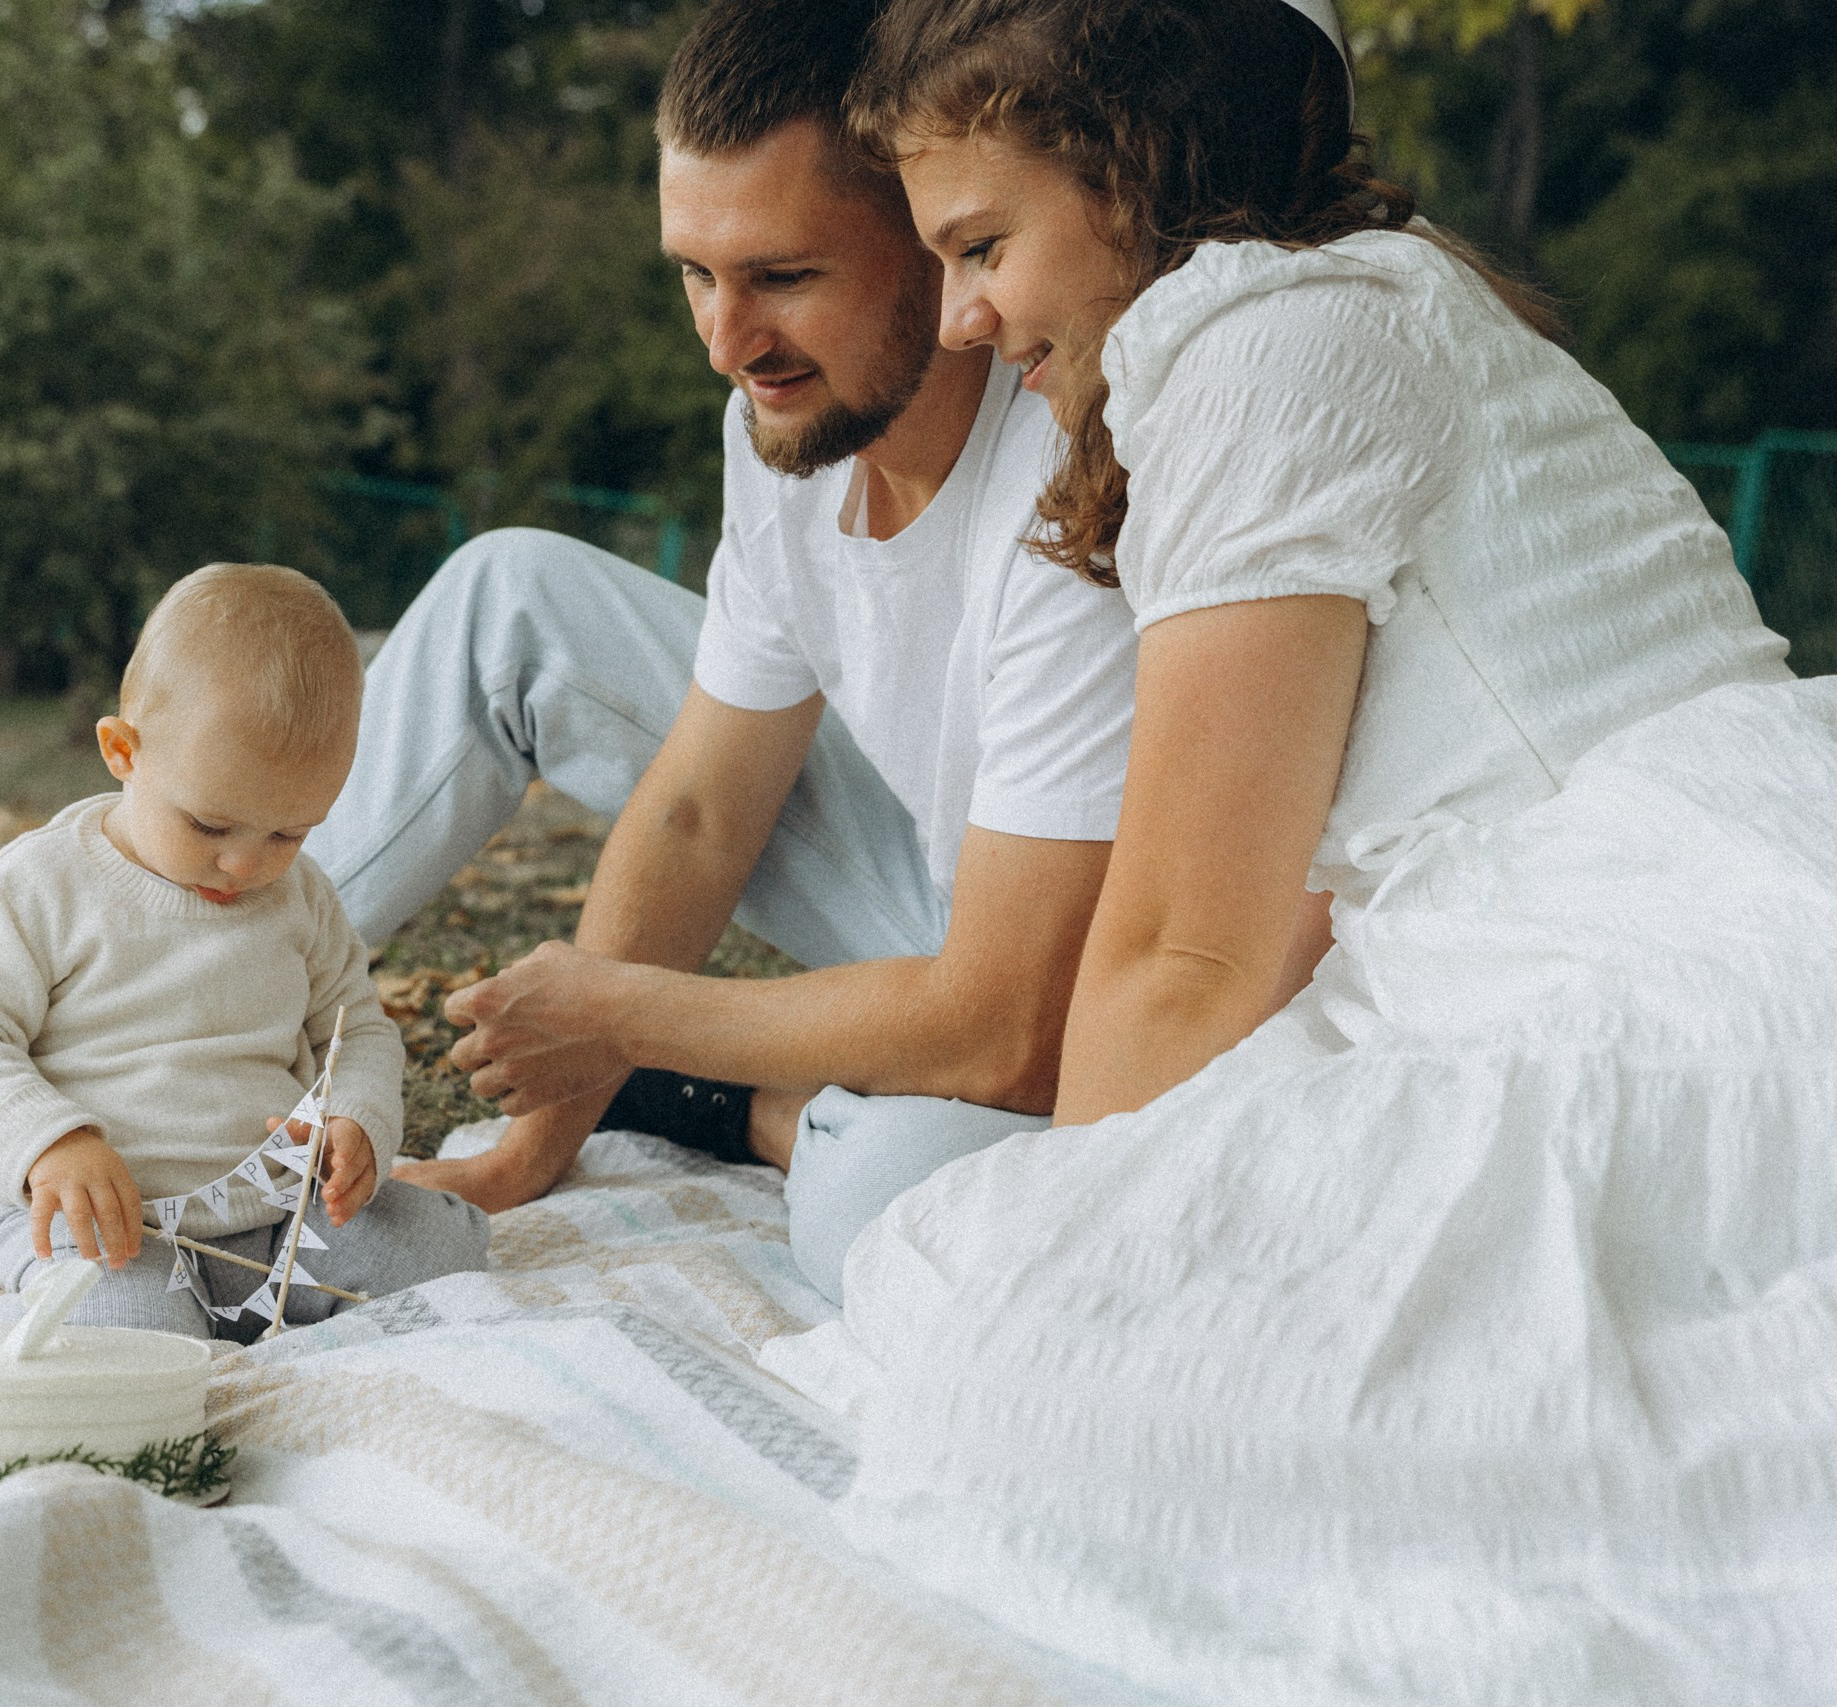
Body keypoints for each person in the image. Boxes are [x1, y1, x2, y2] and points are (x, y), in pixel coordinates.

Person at [758, 0, 1837, 1699]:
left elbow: (1187, 946)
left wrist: (1079, 1228)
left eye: (982, 245)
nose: (964, 317)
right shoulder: (1332, 307)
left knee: (996, 1315)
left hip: (1651, 919)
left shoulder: (1280, 347)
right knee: (916, 1208)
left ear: (1140, 173)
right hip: (1561, 900)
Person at [308, 0, 1141, 1302]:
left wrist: (630, 1021)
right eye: (695, 272)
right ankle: (160, 974)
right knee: (507, 586)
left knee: (886, 1183)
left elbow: (1018, 1024)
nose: (727, 340)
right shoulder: (778, 424)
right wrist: (536, 1140)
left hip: (1077, 985)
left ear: (937, 238)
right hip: (933, 895)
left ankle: (740, 1101)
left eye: (783, 276)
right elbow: (703, 806)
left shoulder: (1067, 476)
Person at [0, 564, 488, 1338]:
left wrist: (356, 1116)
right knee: (130, 1337)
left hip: (280, 1223)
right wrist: (50, 1140)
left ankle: (232, 1309)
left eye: (289, 831)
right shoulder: (44, 883)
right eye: (210, 826)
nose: (246, 864)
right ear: (123, 751)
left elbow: (357, 1030)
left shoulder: (300, 897)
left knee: (439, 1251)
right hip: (110, 1230)